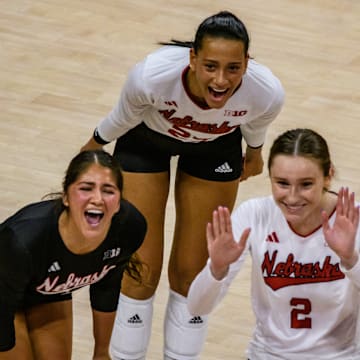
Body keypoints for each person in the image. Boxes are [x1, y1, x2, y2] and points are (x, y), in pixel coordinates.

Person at [80, 10, 284, 360]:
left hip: (214, 149)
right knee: (141, 268)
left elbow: (254, 121)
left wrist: (254, 153)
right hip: (146, 142)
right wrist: (92, 150)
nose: (221, 80)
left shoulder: (266, 92)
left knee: (192, 273)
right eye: (210, 66)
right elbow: (120, 119)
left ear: (247, 63)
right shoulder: (151, 76)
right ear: (192, 57)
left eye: (233, 68)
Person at [187, 128, 360, 360]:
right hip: (267, 355)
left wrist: (351, 260)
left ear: (328, 175)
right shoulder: (254, 215)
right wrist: (216, 270)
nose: (292, 197)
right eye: (282, 183)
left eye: (306, 184)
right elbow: (197, 308)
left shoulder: (353, 219)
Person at [0, 150, 147, 360]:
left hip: (44, 293)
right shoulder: (23, 240)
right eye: (86, 188)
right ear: (66, 197)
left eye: (108, 190)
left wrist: (102, 353)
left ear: (118, 202)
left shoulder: (129, 228)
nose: (97, 199)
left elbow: (107, 287)